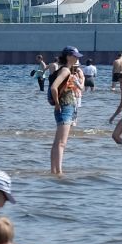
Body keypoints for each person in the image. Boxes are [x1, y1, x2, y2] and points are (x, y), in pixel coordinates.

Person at [48, 48, 84, 176]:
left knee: (57, 143)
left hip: (64, 107)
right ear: (68, 57)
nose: (77, 59)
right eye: (75, 56)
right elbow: (54, 88)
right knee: (61, 143)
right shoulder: (66, 70)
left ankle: (54, 171)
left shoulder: (63, 69)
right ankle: (59, 172)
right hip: (65, 107)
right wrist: (58, 104)